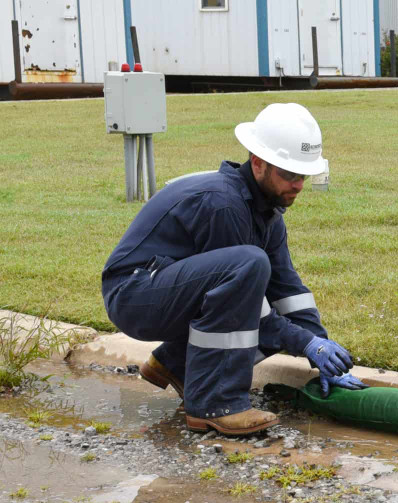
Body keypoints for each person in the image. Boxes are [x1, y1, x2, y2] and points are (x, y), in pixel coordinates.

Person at [101, 103, 366, 436]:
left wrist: (321, 348)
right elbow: (249, 308)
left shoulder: (267, 212)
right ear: (257, 162)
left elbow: (289, 291)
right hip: (134, 295)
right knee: (251, 273)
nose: (298, 185)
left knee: (266, 296)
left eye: (303, 175)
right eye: (288, 173)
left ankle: (174, 365)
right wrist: (305, 344)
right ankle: (215, 405)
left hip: (161, 290)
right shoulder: (223, 205)